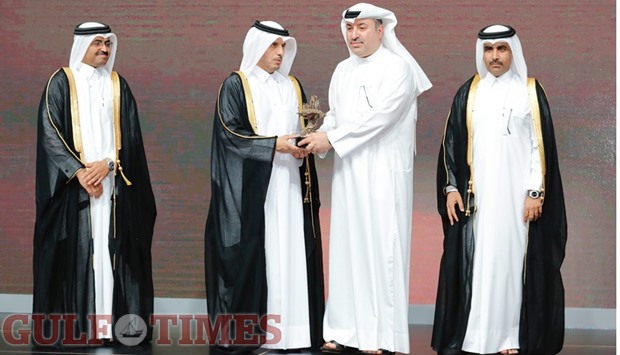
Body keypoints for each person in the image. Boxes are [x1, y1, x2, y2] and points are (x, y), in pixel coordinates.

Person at [299, 3, 431, 354]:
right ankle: (345, 331)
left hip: (384, 175)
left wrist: (331, 139)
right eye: (349, 28)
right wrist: (314, 139)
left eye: (361, 27)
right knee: (347, 248)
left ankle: (382, 336)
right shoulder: (342, 69)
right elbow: (337, 117)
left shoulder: (399, 69)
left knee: (381, 248)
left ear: (381, 30)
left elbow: (381, 118)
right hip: (349, 172)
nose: (353, 35)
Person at [431, 24, 567, 355]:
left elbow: (540, 148)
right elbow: (451, 144)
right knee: (478, 264)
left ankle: (510, 337)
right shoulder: (468, 93)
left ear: (513, 52)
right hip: (479, 202)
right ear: (481, 53)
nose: (494, 56)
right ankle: (476, 336)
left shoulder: (530, 92)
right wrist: (451, 188)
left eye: (501, 49)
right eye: (489, 50)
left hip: (517, 201)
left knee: (512, 265)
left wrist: (535, 193)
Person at [33, 22, 156, 346]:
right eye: (97, 43)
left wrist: (107, 166)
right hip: (74, 192)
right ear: (81, 45)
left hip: (113, 188)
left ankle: (112, 328)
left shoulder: (118, 85)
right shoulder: (61, 82)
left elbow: (131, 138)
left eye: (108, 44)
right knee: (78, 255)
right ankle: (78, 329)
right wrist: (80, 173)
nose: (104, 49)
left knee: (109, 253)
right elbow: (50, 133)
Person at [204, 20, 324, 353]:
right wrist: (275, 145)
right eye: (273, 46)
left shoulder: (293, 85)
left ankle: (295, 333)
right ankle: (255, 335)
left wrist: (303, 141)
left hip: (290, 185)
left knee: (291, 253)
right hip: (254, 193)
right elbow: (231, 135)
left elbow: (301, 127)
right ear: (257, 47)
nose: (280, 53)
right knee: (263, 255)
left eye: (284, 47)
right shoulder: (236, 85)